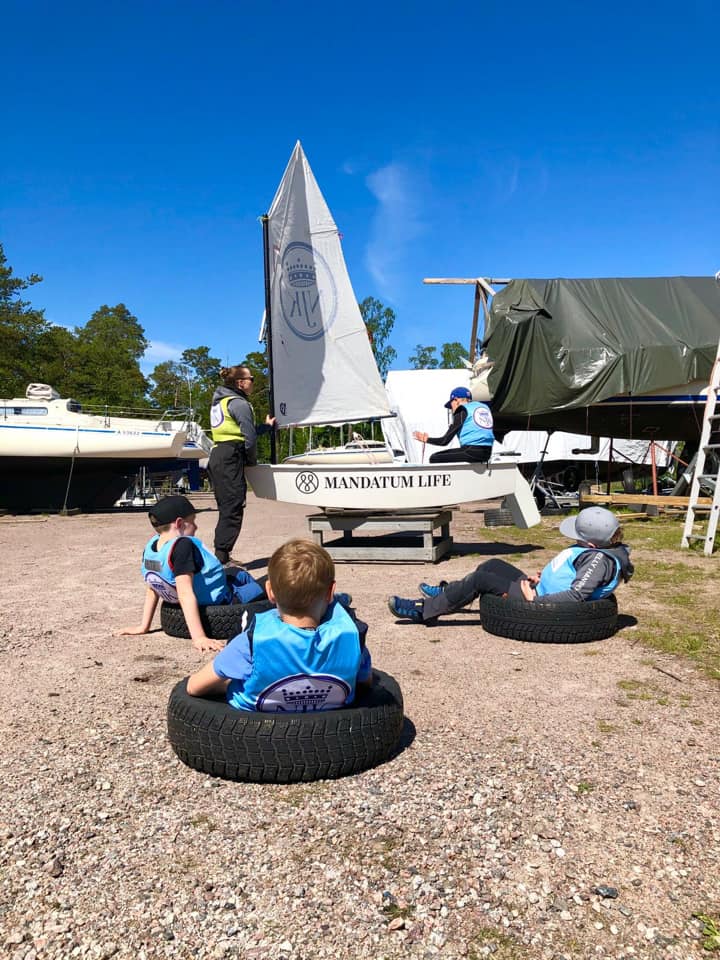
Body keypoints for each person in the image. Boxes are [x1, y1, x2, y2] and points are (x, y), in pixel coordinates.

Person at [187, 539, 373, 712]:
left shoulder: (250, 643)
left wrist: (231, 684)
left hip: (257, 721)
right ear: (331, 592)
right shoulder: (353, 639)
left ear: (269, 591)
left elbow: (194, 687)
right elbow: (365, 683)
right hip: (333, 720)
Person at [388, 506, 634, 625]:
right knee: (492, 564)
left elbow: (577, 595)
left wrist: (535, 600)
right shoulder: (596, 551)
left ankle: (425, 611)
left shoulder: (598, 561)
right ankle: (449, 593)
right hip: (538, 588)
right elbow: (572, 573)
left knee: (481, 580)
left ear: (590, 543)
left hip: (541, 602)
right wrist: (543, 577)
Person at [119, 495, 269, 652]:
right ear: (179, 523)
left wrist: (144, 626)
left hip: (211, 587)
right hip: (227, 599)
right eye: (192, 521)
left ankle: (256, 597)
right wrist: (199, 638)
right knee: (272, 580)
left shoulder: (153, 547)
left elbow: (153, 587)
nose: (196, 527)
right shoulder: (182, 547)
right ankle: (261, 604)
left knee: (238, 573)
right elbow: (185, 594)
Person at [208, 364, 275, 565]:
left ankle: (223, 555)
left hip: (218, 454)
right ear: (240, 383)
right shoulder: (239, 404)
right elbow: (249, 439)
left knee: (226, 506)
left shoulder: (221, 402)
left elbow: (241, 431)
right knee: (233, 507)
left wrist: (265, 427)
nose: (253, 382)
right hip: (231, 456)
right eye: (251, 379)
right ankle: (222, 559)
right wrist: (251, 461)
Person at [413, 386, 495, 464]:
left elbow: (444, 441)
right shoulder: (484, 407)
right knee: (458, 452)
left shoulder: (462, 410)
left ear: (456, 400)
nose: (451, 409)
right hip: (487, 452)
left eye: (451, 405)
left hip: (472, 452)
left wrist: (426, 439)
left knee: (434, 458)